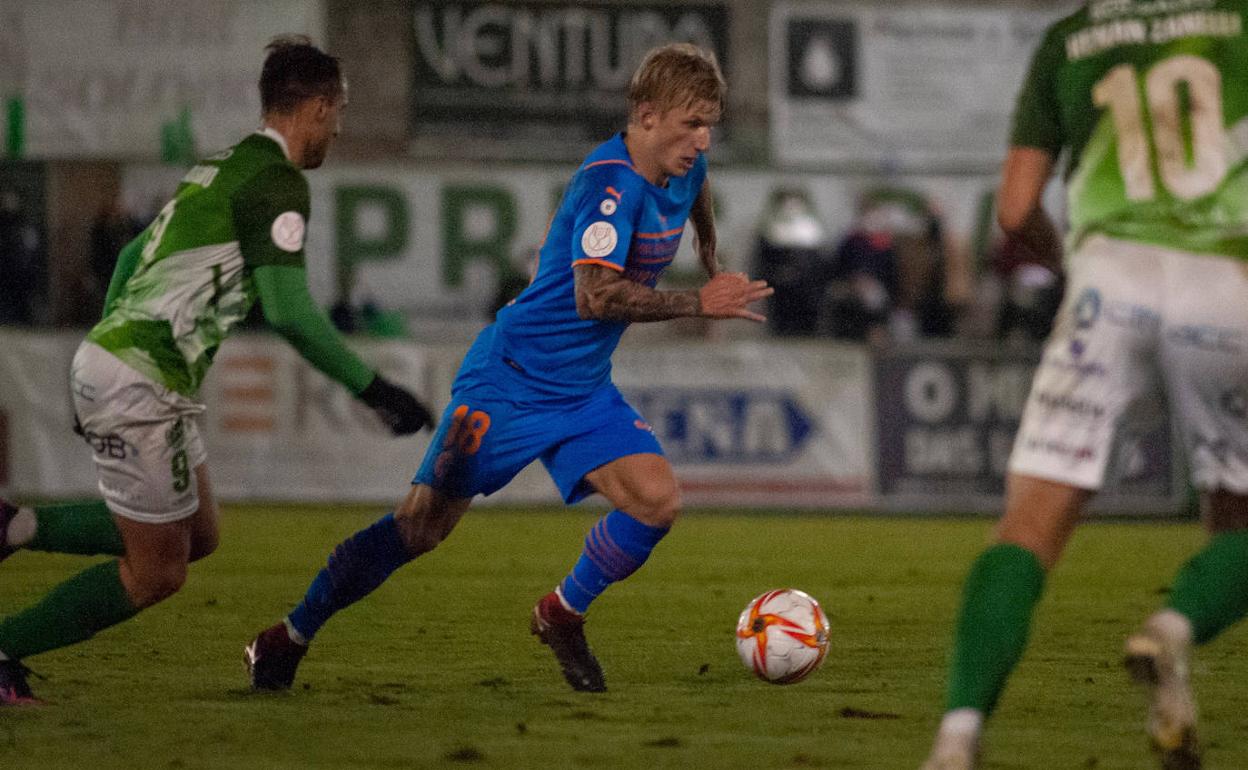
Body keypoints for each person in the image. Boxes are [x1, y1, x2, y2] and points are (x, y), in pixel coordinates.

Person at [243, 42, 772, 694]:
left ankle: (560, 613)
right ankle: (286, 637)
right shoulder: (608, 186)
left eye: (709, 123)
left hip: (581, 392)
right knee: (419, 527)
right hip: (509, 381)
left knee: (658, 502)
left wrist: (711, 251)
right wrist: (700, 300)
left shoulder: (685, 167)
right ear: (645, 115)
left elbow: (697, 191)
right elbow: (595, 297)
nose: (702, 139)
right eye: (691, 123)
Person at [0, 36, 433, 704]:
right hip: (139, 377)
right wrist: (374, 388)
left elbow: (126, 263)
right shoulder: (278, 183)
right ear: (317, 107)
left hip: (128, 365)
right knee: (157, 572)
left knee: (199, 531)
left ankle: (15, 527)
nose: (339, 128)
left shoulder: (222, 167)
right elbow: (289, 311)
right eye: (338, 112)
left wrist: (107, 357)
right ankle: (7, 646)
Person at [921, 3, 1248, 768]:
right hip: (1223, 281)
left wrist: (1073, 262)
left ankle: (956, 738)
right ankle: (1171, 632)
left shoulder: (1069, 40)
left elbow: (1013, 209)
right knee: (1238, 521)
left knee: (1029, 527)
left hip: (1107, 284)